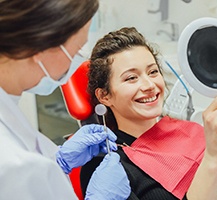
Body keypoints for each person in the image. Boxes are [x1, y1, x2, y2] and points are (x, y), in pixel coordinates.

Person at [82, 27, 217, 200]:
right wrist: (214, 160)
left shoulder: (194, 131)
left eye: (153, 72)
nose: (149, 85)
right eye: (131, 78)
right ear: (104, 96)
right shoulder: (105, 168)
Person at [0, 1, 130, 200]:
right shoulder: (13, 166)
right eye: (77, 49)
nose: (77, 61)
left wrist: (59, 159)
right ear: (42, 45)